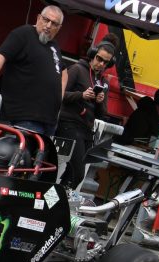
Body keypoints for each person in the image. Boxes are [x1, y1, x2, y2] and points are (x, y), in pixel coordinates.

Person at [0, 5, 67, 136]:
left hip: (48, 120)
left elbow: (63, 72)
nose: (48, 25)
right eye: (46, 20)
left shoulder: (54, 45)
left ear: (59, 28)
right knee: (19, 149)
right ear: (38, 18)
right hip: (24, 117)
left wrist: (58, 100)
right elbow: (0, 56)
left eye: (54, 23)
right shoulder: (24, 33)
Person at [55, 34, 118, 189]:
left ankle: (54, 200)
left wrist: (99, 102)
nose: (101, 64)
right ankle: (53, 199)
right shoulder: (77, 69)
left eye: (105, 62)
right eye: (99, 59)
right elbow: (59, 94)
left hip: (86, 130)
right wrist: (81, 95)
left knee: (74, 174)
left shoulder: (103, 82)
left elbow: (102, 114)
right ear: (93, 55)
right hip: (68, 124)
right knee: (76, 172)